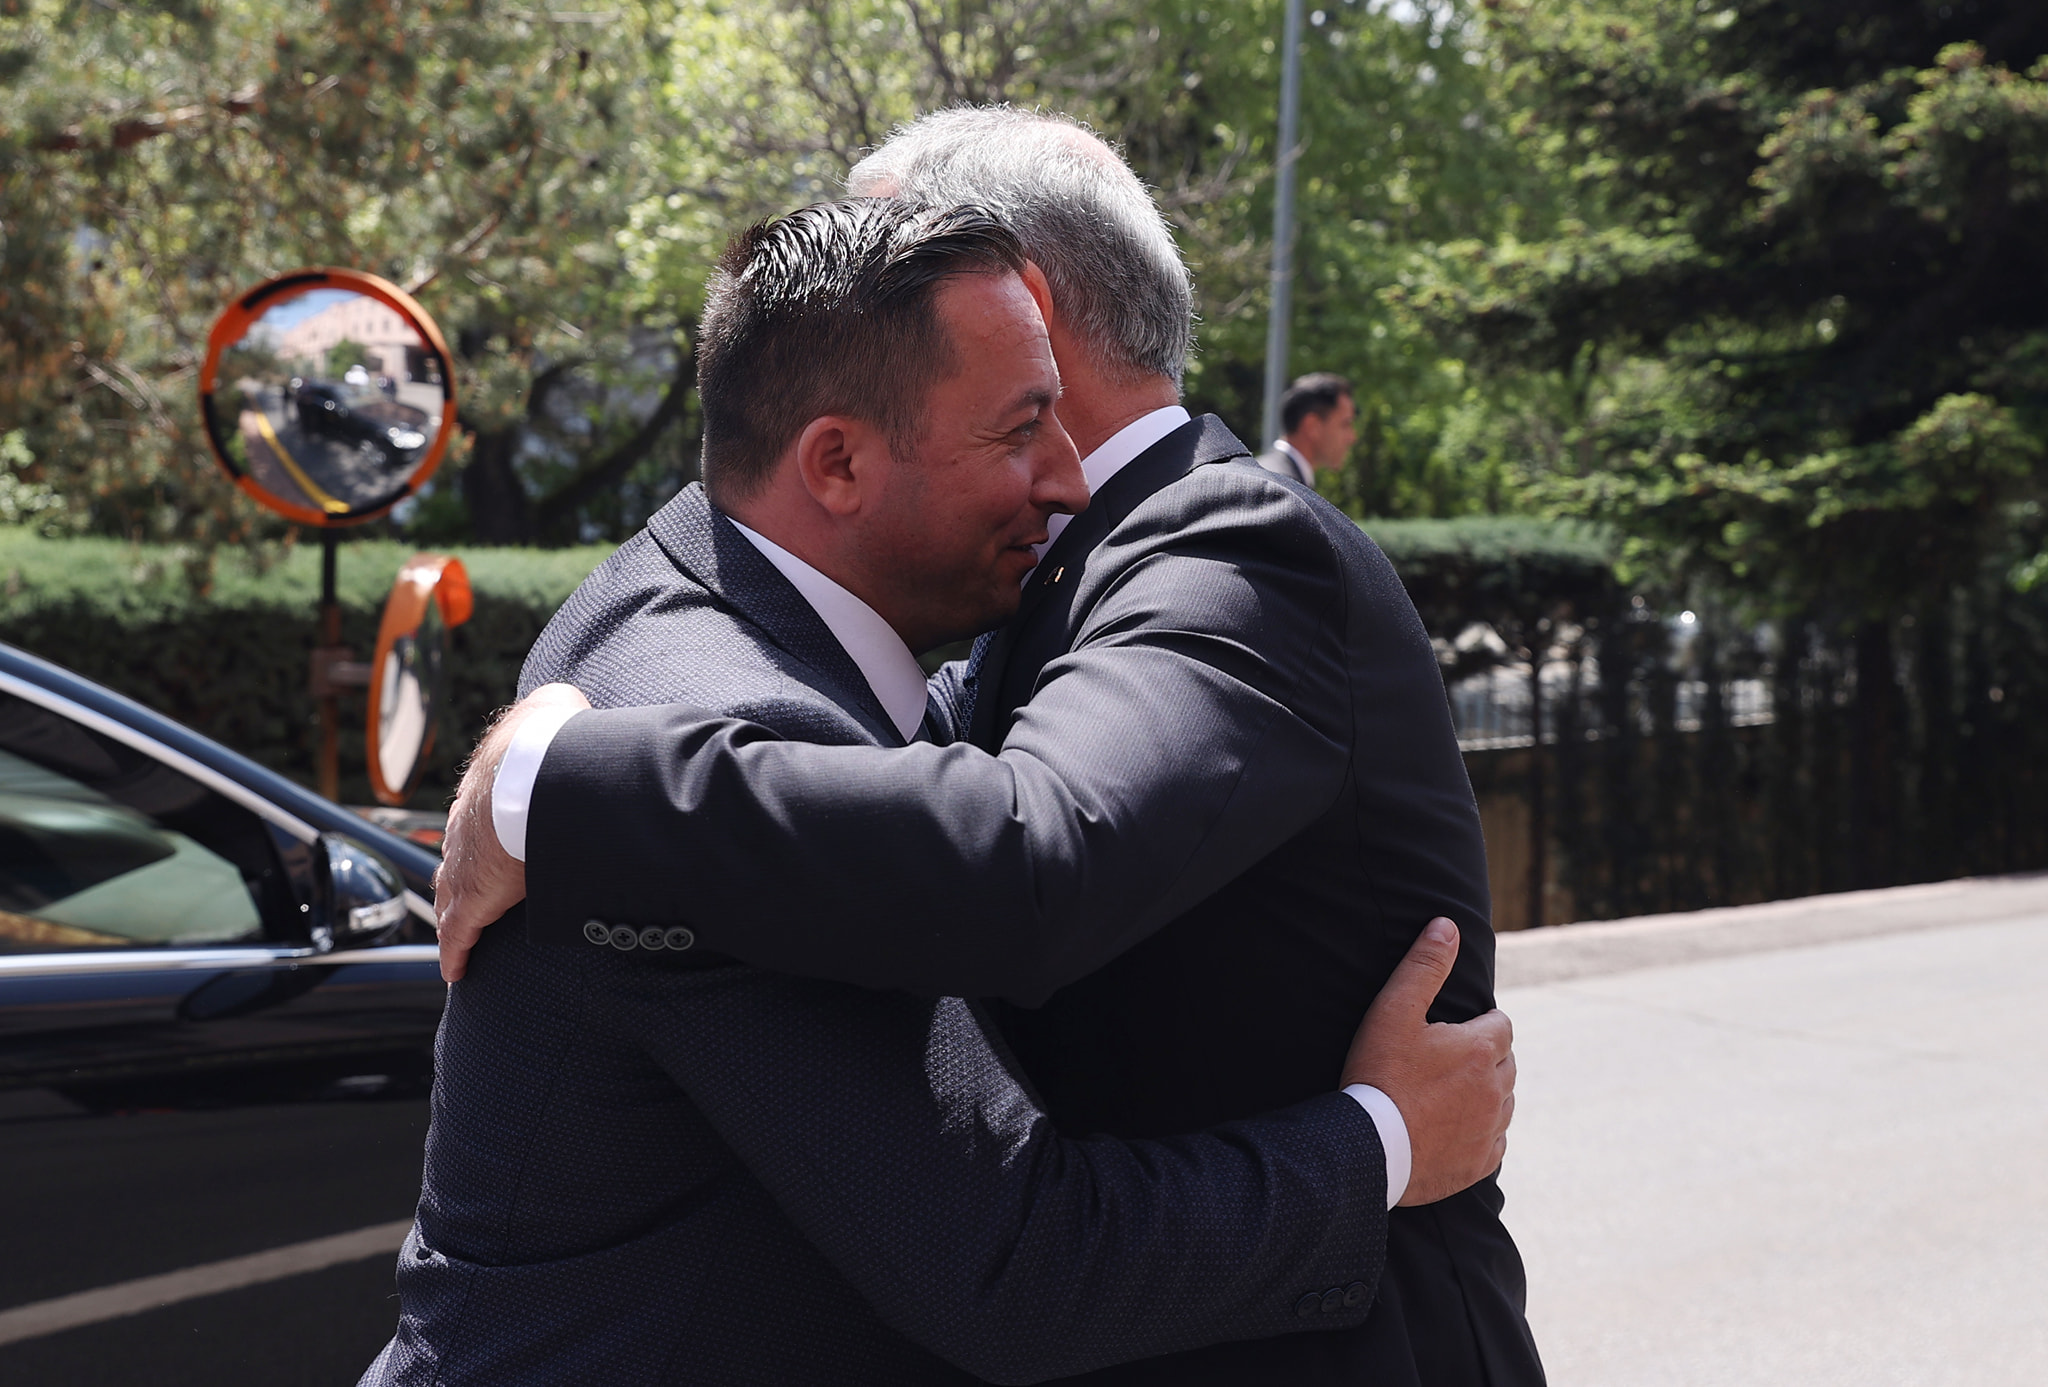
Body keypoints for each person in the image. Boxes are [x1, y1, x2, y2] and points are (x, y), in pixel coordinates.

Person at [438, 109, 1542, 1385]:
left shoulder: (1225, 547)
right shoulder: (788, 658)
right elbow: (1003, 1243)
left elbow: (1029, 852)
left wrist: (553, 786)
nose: (839, 310)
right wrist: (1376, 1139)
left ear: (1028, 298)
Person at [1258, 371, 1357, 485]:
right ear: (1312, 426)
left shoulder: (1273, 476)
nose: (1352, 437)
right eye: (1345, 424)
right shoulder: (1283, 485)